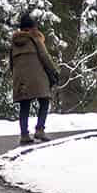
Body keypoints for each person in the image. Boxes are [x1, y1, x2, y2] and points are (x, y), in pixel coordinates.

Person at [9, 12, 59, 145]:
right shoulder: (35, 38)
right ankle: (40, 129)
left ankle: (24, 135)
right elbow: (45, 57)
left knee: (24, 105)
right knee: (44, 100)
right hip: (37, 78)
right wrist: (53, 73)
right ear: (32, 27)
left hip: (20, 79)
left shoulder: (14, 43)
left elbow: (11, 63)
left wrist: (16, 77)